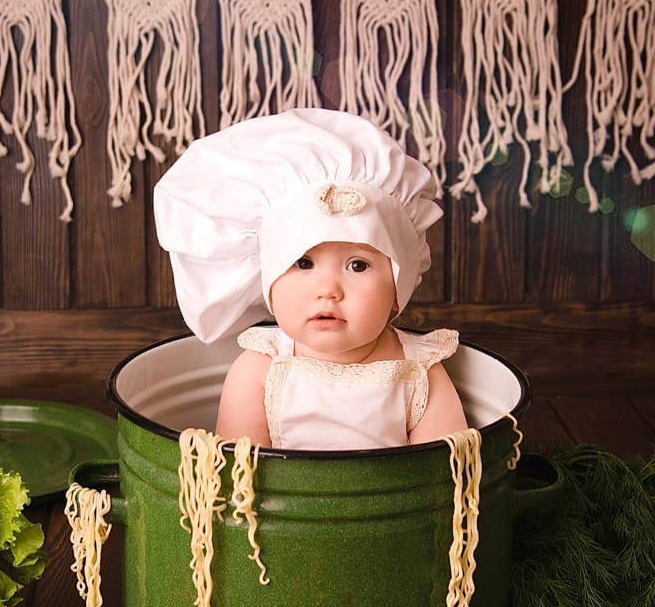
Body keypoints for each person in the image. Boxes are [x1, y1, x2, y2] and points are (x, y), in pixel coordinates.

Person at [153, 107, 468, 451]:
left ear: (399, 288)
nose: (328, 290)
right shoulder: (259, 370)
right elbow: (238, 471)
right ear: (268, 284)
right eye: (303, 263)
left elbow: (441, 471)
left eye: (358, 265)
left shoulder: (421, 370)